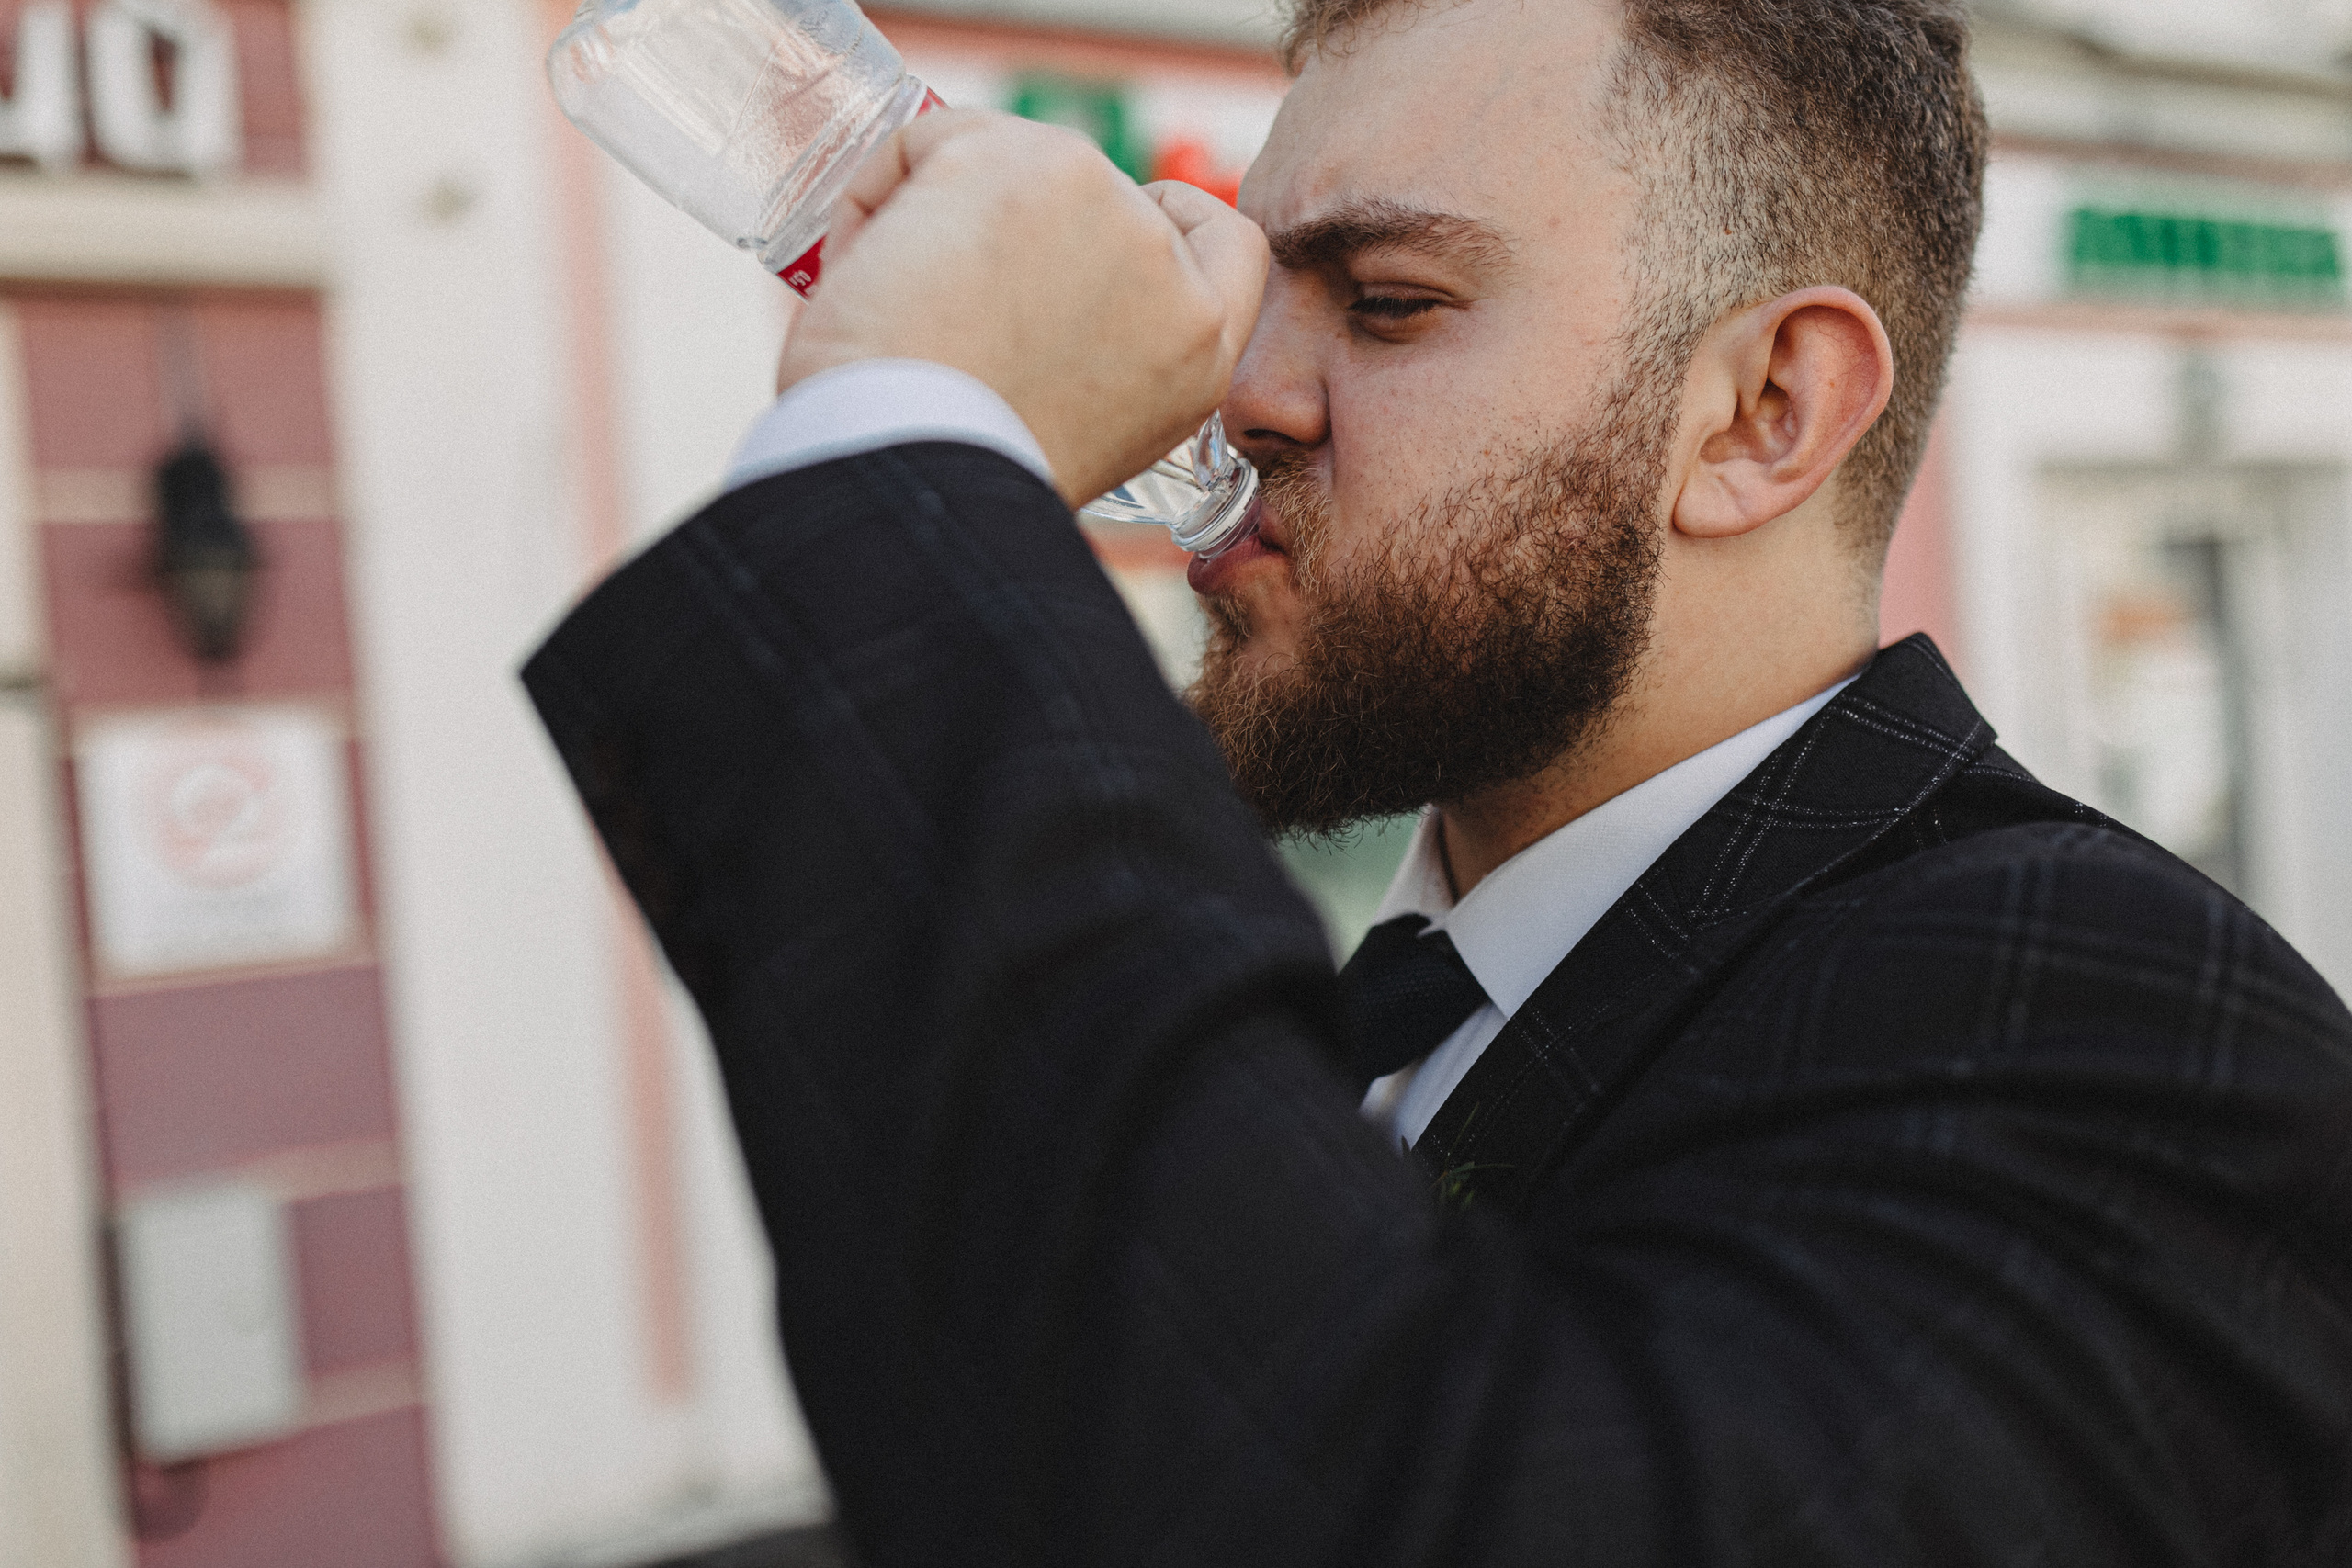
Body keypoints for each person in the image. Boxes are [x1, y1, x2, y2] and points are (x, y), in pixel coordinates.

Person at [525, 0, 2352, 1562]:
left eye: (1388, 302)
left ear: (1765, 413)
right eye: (1250, 290)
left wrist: (911, 444)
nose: (1239, 391)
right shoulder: (1392, 1001)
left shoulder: (2125, 1037)